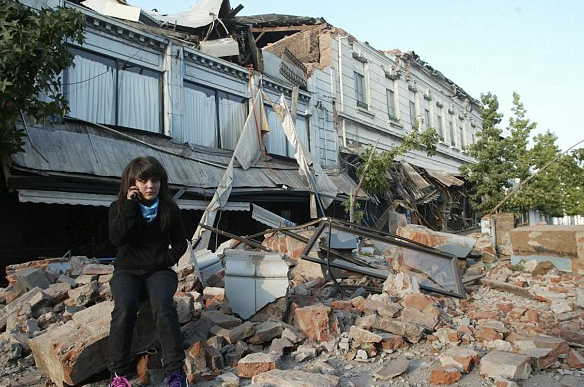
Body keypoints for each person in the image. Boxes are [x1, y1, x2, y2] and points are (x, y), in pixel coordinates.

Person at [108, 156, 189, 387]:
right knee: (124, 309)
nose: (150, 186)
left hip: (159, 272)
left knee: (163, 307)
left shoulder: (170, 209)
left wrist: (165, 259)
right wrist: (131, 206)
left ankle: (175, 373)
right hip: (127, 271)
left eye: (155, 180)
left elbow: (181, 242)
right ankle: (118, 376)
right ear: (132, 183)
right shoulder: (119, 208)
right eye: (143, 180)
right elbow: (117, 239)